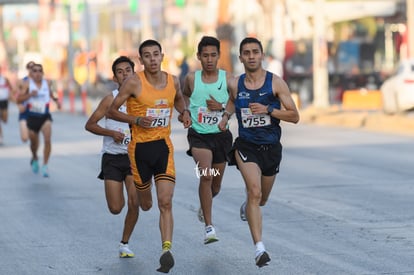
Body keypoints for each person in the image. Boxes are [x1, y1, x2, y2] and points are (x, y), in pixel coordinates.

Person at [107, 39, 191, 273]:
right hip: (139, 151)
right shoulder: (133, 83)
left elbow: (179, 99)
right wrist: (136, 120)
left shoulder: (173, 80)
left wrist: (184, 113)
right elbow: (113, 110)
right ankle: (146, 199)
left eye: (156, 54)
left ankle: (166, 249)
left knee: (166, 202)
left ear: (162, 56)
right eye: (147, 55)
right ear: (141, 60)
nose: (152, 59)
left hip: (163, 147)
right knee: (145, 204)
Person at [218, 37, 300, 268]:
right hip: (246, 146)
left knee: (261, 199)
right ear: (241, 57)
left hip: (271, 148)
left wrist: (269, 110)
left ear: (262, 55)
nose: (251, 56)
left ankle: (249, 205)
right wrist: (225, 117)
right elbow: (232, 102)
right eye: (247, 52)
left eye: (255, 52)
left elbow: (294, 116)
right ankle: (259, 249)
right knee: (254, 192)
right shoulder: (235, 83)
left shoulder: (276, 83)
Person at [85, 56, 139, 258]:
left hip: (134, 158)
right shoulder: (110, 99)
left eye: (128, 70)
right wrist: (111, 133)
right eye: (120, 71)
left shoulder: (142, 97)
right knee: (116, 208)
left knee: (135, 202)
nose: (125, 74)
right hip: (113, 159)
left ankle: (125, 243)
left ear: (134, 73)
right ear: (115, 77)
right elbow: (90, 124)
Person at [181, 36, 233, 244]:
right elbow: (184, 96)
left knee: (216, 186)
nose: (209, 59)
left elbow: (234, 102)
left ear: (219, 56)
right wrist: (185, 111)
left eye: (213, 55)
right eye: (205, 56)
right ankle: (209, 228)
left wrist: (223, 111)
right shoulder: (192, 79)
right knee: (206, 175)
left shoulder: (228, 79)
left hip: (221, 136)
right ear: (199, 57)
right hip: (198, 136)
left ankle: (205, 205)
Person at [17, 63, 60, 177]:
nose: (37, 73)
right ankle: (35, 157)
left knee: (47, 140)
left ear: (42, 73)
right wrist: (30, 94)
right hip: (32, 117)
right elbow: (19, 99)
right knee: (34, 143)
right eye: (35, 71)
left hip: (45, 116)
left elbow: (50, 94)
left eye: (39, 71)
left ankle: (45, 165)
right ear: (31, 73)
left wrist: (56, 101)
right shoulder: (27, 84)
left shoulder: (47, 82)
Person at [16, 61, 35, 143]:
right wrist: (19, 105)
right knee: (24, 138)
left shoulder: (40, 81)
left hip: (35, 110)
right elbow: (16, 95)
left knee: (34, 136)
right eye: (30, 68)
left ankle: (34, 153)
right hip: (24, 110)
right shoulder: (22, 81)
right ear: (27, 69)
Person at [0, 66, 13, 144]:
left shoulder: (4, 79)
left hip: (4, 101)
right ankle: (0, 138)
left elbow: (11, 89)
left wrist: (10, 96)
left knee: (5, 120)